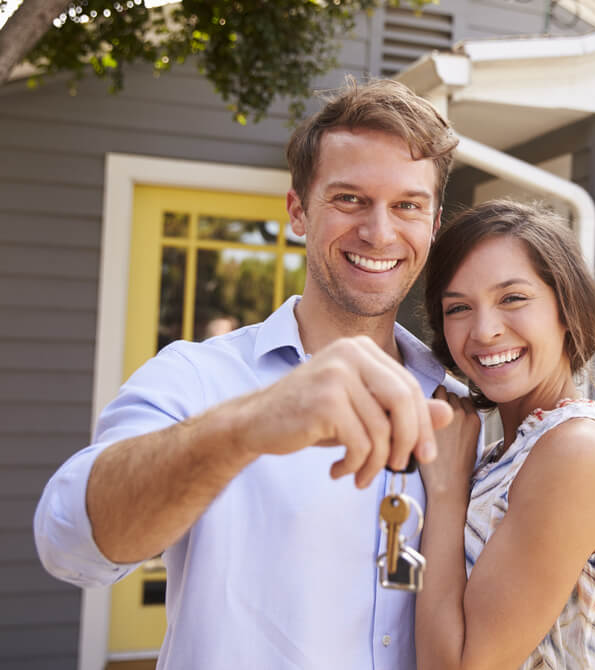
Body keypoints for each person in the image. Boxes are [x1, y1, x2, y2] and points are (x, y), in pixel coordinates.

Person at [34, 79, 461, 669]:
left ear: (433, 223)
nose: (380, 232)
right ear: (297, 212)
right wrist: (247, 426)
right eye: (349, 199)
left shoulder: (462, 402)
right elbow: (69, 545)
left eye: (407, 205)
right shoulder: (198, 377)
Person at [417, 200, 595, 669]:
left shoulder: (577, 451)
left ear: (566, 307)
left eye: (512, 298)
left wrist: (446, 492)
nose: (485, 330)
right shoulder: (510, 451)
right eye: (459, 307)